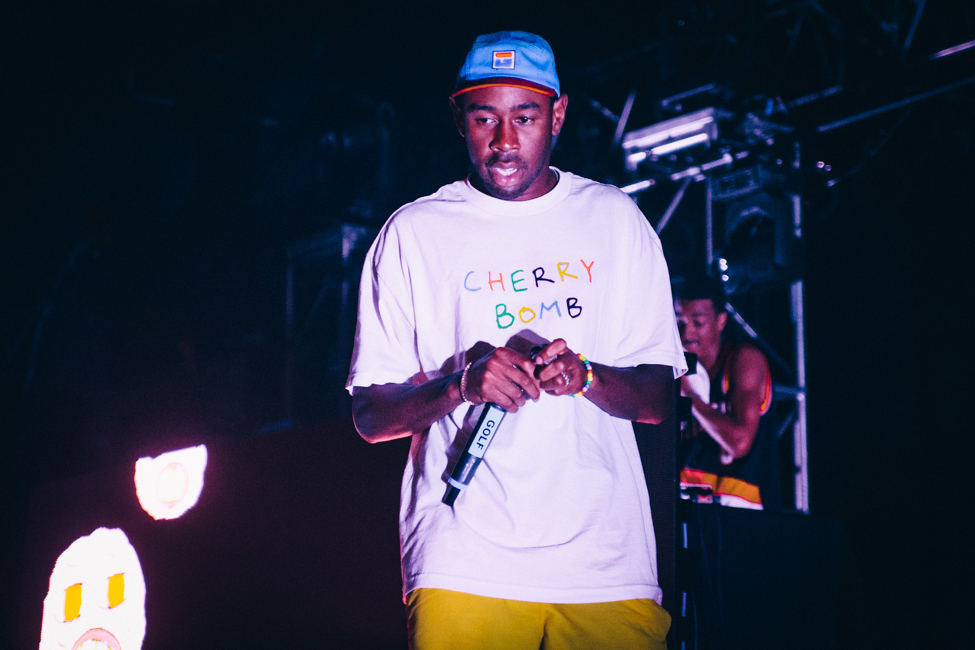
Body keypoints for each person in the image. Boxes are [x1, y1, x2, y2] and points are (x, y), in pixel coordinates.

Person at [347, 31, 687, 650]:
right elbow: (371, 414)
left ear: (558, 114)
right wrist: (460, 386)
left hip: (605, 566)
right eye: (485, 118)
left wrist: (585, 375)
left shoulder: (614, 219)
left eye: (524, 117)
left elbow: (658, 398)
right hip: (463, 561)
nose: (504, 141)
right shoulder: (414, 232)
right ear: (460, 120)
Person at [674, 277, 779, 510]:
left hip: (741, 515)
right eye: (679, 321)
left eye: (697, 322)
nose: (686, 331)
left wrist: (691, 397)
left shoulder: (743, 359)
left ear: (721, 321)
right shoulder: (676, 370)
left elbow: (740, 443)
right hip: (688, 508)